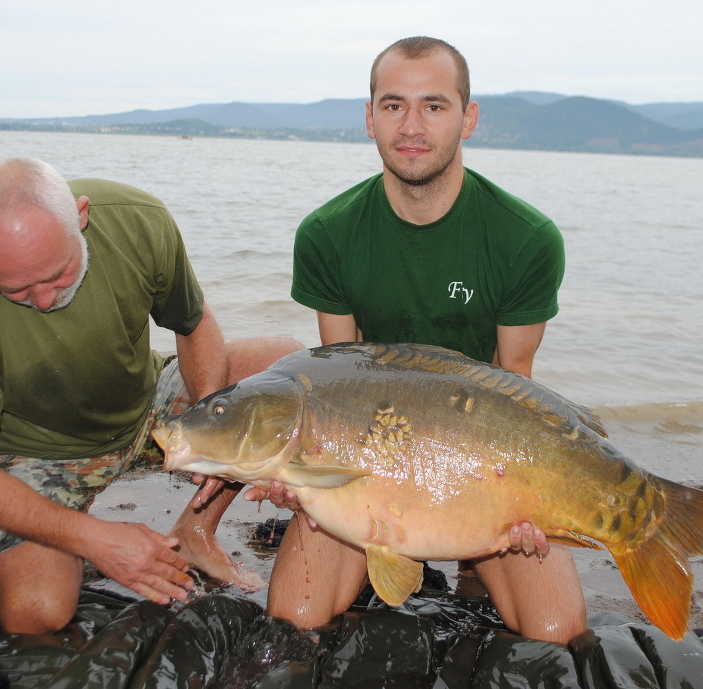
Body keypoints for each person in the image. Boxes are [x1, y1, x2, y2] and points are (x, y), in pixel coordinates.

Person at [254, 36, 587, 644]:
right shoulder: (327, 234)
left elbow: (516, 384)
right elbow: (334, 380)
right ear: (369, 117)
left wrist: (526, 507)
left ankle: (473, 560)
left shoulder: (526, 238)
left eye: (434, 106)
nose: (411, 126)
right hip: (368, 463)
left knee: (556, 631)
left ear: (469, 117)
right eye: (393, 105)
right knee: (295, 619)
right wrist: (299, 473)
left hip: (476, 461)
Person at [0, 157, 303, 635]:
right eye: (14, 289)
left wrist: (210, 428)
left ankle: (196, 530)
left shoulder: (137, 220)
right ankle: (61, 534)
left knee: (284, 370)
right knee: (34, 611)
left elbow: (194, 322)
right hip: (38, 455)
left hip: (148, 409)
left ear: (81, 216)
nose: (42, 300)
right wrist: (95, 540)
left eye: (58, 274)